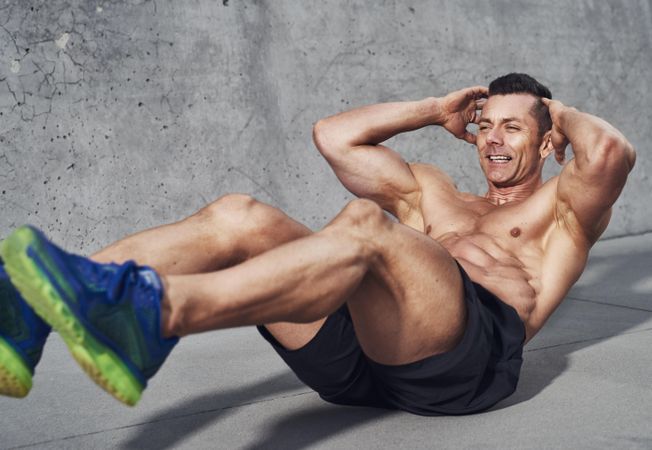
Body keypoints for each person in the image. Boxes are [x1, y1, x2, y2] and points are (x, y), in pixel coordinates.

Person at [0, 73, 635, 415]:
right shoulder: (433, 194)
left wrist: (554, 106)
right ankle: (32, 309)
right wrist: (430, 109)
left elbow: (609, 150)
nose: (493, 138)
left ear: (547, 142)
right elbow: (333, 136)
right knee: (239, 215)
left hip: (461, 366)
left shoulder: (564, 212)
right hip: (361, 357)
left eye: (513, 127)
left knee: (365, 224)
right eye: (485, 124)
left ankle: (156, 313)